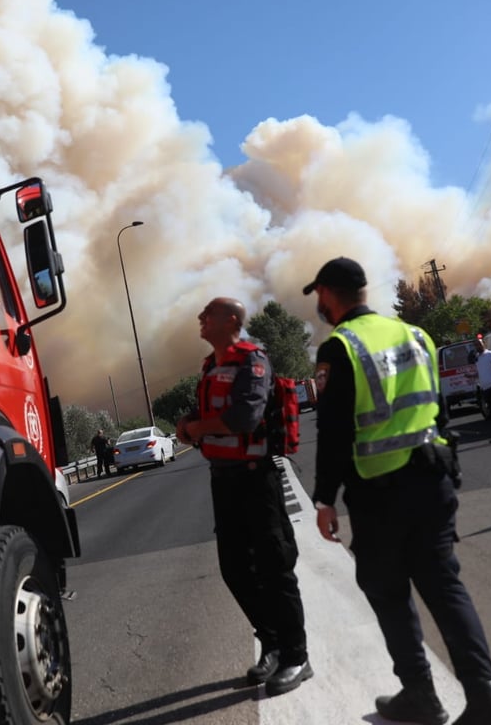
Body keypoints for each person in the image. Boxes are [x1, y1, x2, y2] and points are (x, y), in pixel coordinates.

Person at [305, 257, 491, 725]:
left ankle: (421, 695)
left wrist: (324, 499)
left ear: (329, 293)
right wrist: (452, 469)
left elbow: (335, 431)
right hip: (433, 477)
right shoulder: (415, 334)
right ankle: (487, 699)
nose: (318, 304)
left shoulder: (340, 346)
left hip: (381, 492)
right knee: (445, 587)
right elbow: (438, 411)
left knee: (388, 591)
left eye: (319, 295)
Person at [175, 297, 311, 696]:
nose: (201, 318)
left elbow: (244, 418)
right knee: (234, 569)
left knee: (275, 568)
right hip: (224, 480)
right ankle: (271, 642)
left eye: (209, 313)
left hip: (257, 480)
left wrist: (195, 428)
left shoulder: (253, 361)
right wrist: (190, 423)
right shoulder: (210, 365)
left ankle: (297, 656)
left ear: (231, 320)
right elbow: (207, 417)